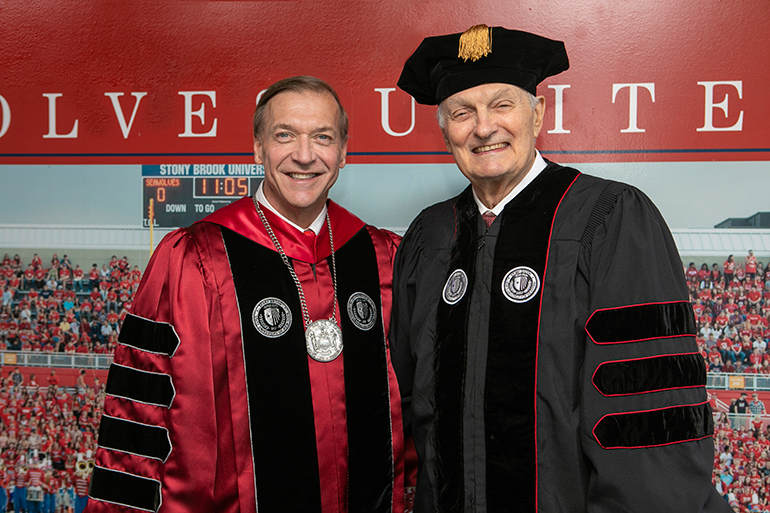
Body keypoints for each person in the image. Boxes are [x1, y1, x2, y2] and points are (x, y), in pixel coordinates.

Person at [391, 25, 729, 512]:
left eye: (502, 105)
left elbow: (646, 417)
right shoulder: (429, 237)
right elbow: (408, 401)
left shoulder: (609, 220)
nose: (483, 128)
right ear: (446, 132)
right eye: (463, 113)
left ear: (537, 114)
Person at [87, 76, 407, 512]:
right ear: (258, 148)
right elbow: (142, 411)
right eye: (284, 135)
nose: (305, 155)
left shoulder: (381, 256)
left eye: (323, 137)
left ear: (344, 152)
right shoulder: (197, 258)